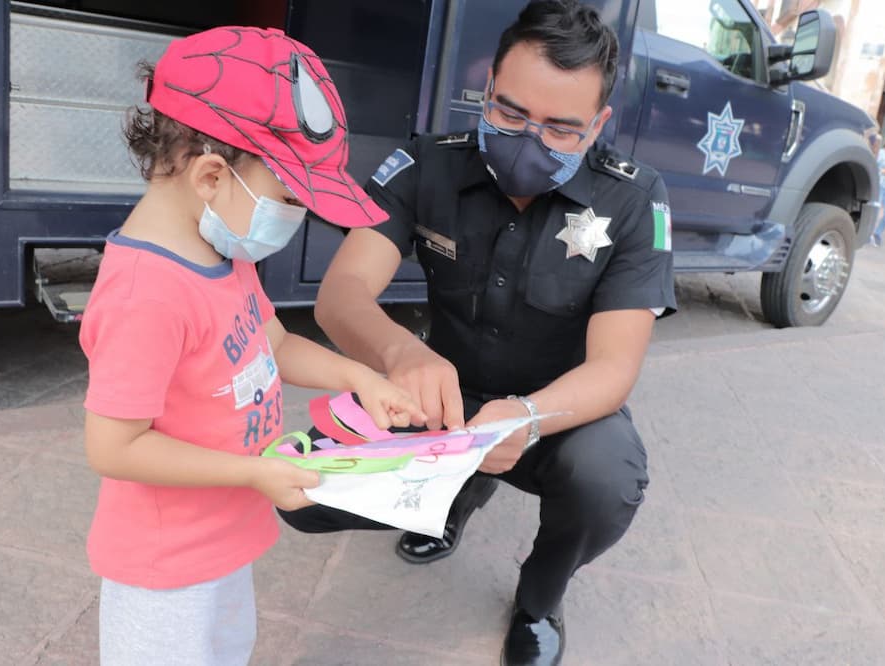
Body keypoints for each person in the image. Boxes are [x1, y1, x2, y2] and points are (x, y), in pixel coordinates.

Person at [278, 2, 676, 664]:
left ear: (600, 124)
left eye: (560, 130)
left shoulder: (633, 200)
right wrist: (401, 354)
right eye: (511, 113)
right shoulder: (426, 164)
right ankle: (450, 498)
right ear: (488, 85)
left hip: (555, 414)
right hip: (439, 400)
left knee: (605, 480)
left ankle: (540, 601)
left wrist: (525, 416)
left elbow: (613, 367)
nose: (529, 139)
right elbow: (340, 295)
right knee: (304, 488)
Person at [78, 26, 424, 665]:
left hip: (224, 538)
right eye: (289, 197)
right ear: (211, 175)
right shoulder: (146, 295)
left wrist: (360, 378)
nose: (293, 219)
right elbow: (113, 445)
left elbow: (275, 343)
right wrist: (254, 472)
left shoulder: (219, 246)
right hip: (165, 569)